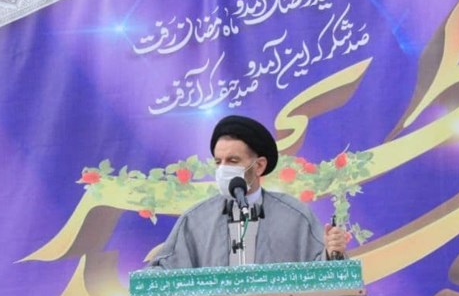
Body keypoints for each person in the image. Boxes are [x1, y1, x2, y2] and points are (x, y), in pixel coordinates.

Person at [149, 114, 350, 269]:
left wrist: (332, 253)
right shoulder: (195, 220)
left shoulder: (296, 217)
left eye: (233, 161)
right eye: (218, 162)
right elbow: (162, 274)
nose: (223, 169)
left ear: (259, 166)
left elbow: (324, 275)